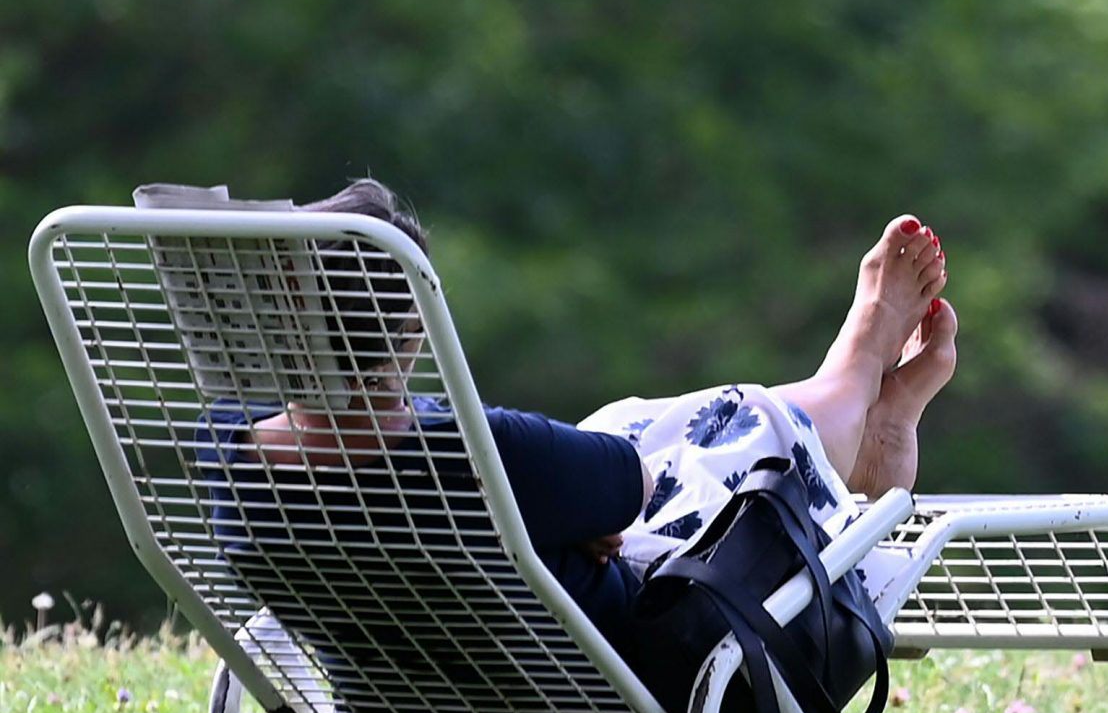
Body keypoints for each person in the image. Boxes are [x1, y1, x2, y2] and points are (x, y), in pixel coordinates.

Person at [202, 178, 958, 673]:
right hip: (612, 671)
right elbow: (625, 486)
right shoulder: (481, 452)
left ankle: (857, 429)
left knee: (634, 422)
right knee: (736, 432)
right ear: (410, 330)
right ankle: (852, 378)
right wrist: (576, 520)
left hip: (396, 711)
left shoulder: (227, 458)